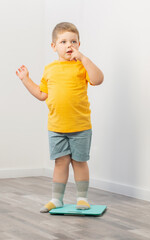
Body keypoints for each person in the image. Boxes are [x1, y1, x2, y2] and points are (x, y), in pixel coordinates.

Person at [16, 22, 104, 213]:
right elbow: (41, 94)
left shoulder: (82, 67)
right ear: (54, 46)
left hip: (80, 125)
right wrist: (25, 79)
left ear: (79, 44)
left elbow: (98, 79)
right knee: (60, 162)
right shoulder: (50, 69)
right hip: (56, 126)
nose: (69, 45)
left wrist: (84, 58)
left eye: (73, 41)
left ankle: (82, 198)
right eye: (63, 41)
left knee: (79, 162)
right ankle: (57, 199)